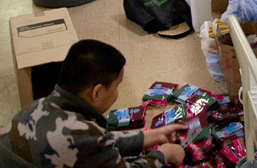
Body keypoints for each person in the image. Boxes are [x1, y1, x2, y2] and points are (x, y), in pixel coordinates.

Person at [0, 39, 185, 167]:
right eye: (116, 87)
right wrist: (165, 154)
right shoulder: (80, 134)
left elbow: (98, 142)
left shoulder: (40, 105)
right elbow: (93, 144)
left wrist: (153, 136)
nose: (117, 94)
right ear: (97, 92)